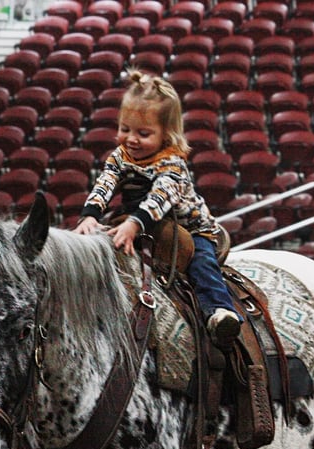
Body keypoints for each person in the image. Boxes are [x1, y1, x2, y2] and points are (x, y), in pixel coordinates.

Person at [74, 70, 242, 348]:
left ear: (167, 135)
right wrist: (90, 213)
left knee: (202, 263)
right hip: (140, 221)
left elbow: (159, 198)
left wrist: (135, 224)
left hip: (190, 227)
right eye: (124, 129)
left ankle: (219, 310)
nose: (131, 139)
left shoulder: (173, 164)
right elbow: (105, 183)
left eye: (143, 133)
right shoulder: (120, 156)